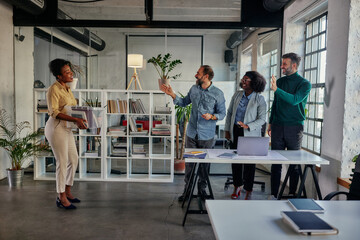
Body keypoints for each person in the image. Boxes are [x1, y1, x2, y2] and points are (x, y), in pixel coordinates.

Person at [160, 65, 226, 201]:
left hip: (206, 135)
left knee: (204, 166)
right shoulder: (194, 89)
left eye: (198, 73)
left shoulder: (218, 93)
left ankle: (202, 190)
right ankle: (187, 192)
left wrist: (212, 116)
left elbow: (222, 113)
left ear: (206, 76)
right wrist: (172, 94)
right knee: (189, 165)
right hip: (191, 134)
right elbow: (184, 102)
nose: (196, 75)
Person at [45, 59, 88, 210]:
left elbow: (71, 109)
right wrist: (76, 119)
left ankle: (68, 191)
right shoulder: (53, 89)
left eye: (70, 71)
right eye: (67, 72)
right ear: (59, 76)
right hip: (56, 128)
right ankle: (61, 197)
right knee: (62, 162)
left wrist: (80, 119)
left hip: (67, 128)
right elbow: (53, 112)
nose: (71, 74)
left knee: (73, 159)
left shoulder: (67, 89)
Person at [268, 52, 312, 199]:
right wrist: (271, 122)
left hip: (294, 128)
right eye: (282, 64)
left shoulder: (305, 84)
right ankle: (274, 193)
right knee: (275, 163)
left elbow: (294, 100)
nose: (281, 67)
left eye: (284, 64)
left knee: (294, 164)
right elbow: (276, 103)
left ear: (294, 65)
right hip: (277, 126)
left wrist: (276, 90)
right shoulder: (280, 82)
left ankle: (293, 193)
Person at [224, 71, 267, 200]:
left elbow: (262, 119)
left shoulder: (259, 99)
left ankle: (249, 189)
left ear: (254, 82)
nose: (243, 81)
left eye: (246, 79)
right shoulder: (237, 95)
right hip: (235, 132)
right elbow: (230, 113)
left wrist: (248, 126)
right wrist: (227, 129)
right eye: (243, 79)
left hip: (250, 134)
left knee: (249, 164)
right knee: (236, 161)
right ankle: (237, 186)